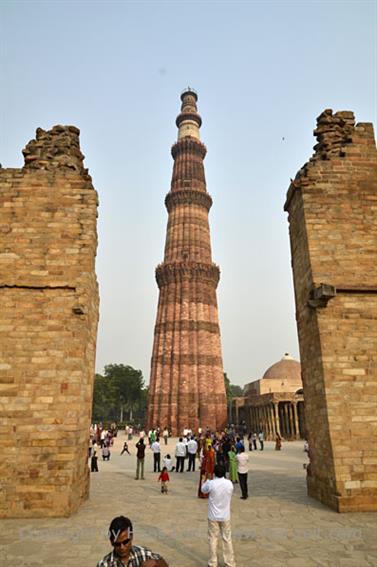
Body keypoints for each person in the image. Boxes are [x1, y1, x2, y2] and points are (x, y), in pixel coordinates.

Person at [97, 515, 169, 567]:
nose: (122, 547)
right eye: (117, 544)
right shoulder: (105, 564)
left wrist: (155, 562)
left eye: (125, 542)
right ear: (111, 542)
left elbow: (164, 564)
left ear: (131, 537)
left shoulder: (144, 554)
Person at [201, 464, 236, 567]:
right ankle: (229, 562)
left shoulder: (211, 483)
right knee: (227, 538)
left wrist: (205, 480)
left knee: (213, 538)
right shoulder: (229, 484)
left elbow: (203, 490)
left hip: (213, 516)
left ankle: (213, 562)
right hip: (225, 516)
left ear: (214, 473)